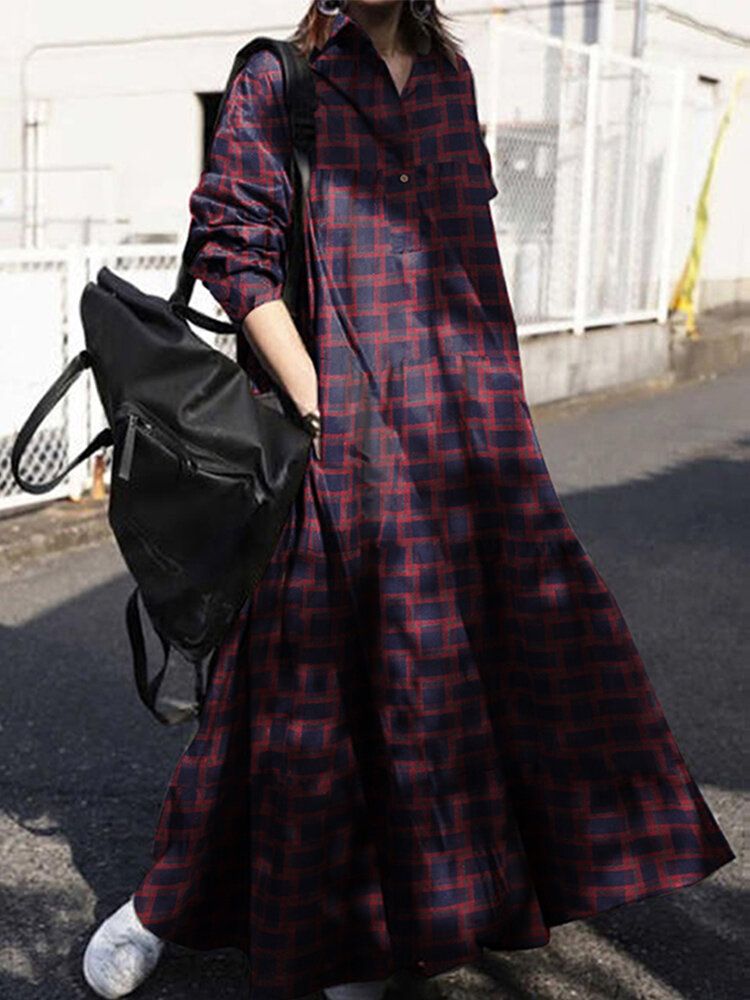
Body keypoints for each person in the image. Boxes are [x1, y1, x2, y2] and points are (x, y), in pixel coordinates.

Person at [82, 2, 736, 999]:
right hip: (335, 427)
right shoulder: (278, 78)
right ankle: (169, 904)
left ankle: (389, 921)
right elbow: (233, 248)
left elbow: (466, 258)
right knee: (296, 688)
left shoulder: (448, 77)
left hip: (464, 425)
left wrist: (501, 415)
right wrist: (317, 399)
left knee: (459, 674)